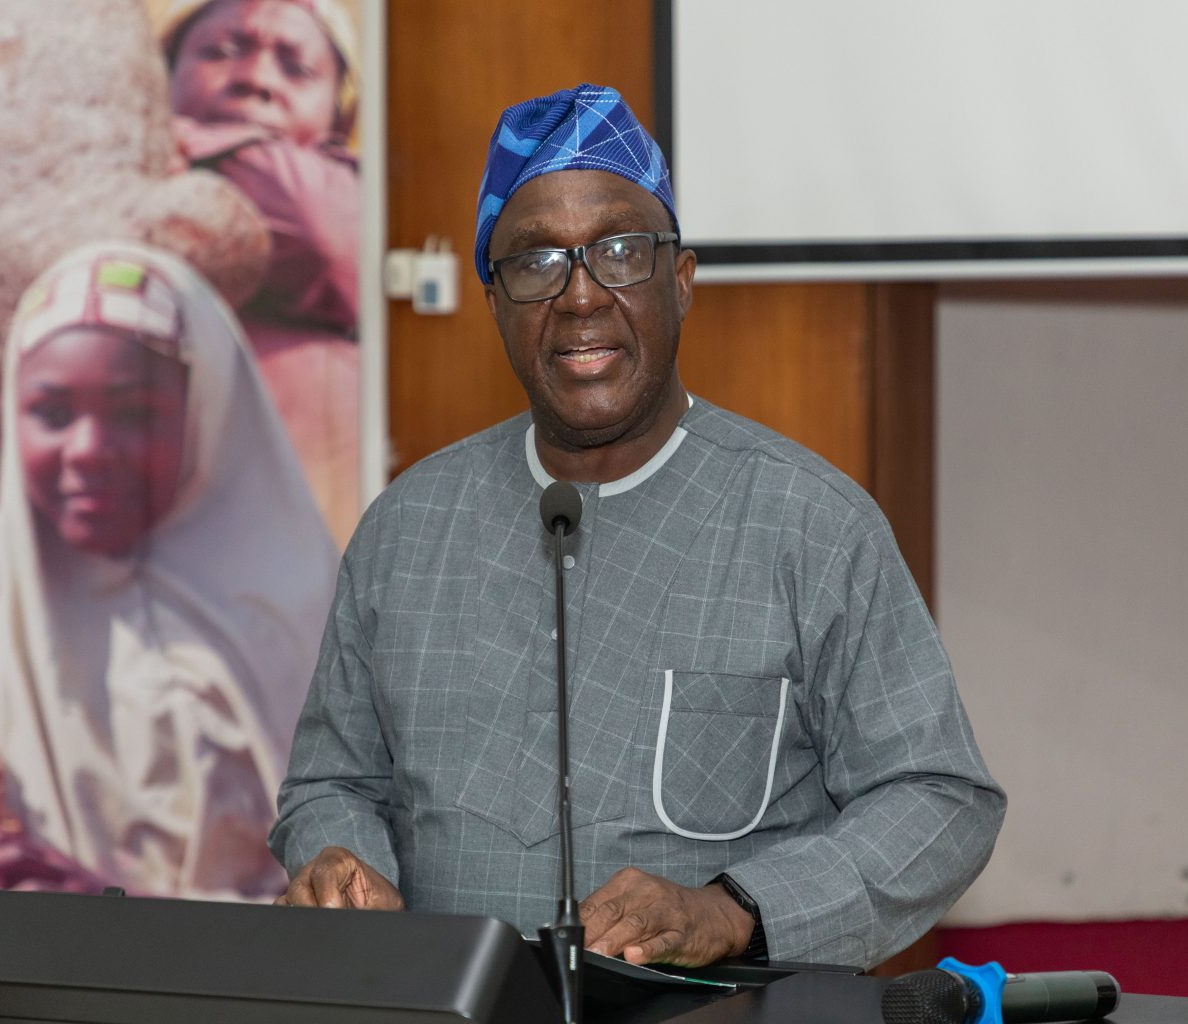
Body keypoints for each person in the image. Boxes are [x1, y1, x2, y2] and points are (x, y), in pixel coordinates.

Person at [269, 84, 1006, 969]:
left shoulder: (812, 526)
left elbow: (940, 799)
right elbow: (332, 781)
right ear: (496, 303)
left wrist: (738, 910)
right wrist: (343, 862)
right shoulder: (407, 529)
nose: (581, 296)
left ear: (681, 282)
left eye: (620, 252)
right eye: (536, 262)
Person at [0, 240, 337, 900]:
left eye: (134, 413)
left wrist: (108, 918)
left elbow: (352, 911)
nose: (89, 450)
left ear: (206, 411)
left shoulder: (308, 639)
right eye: (53, 413)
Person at [159, 0, 362, 549]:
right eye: (222, 52)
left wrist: (177, 139)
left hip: (310, 551)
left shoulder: (359, 194)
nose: (256, 79)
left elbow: (318, 232)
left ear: (341, 116)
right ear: (162, 73)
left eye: (296, 68)